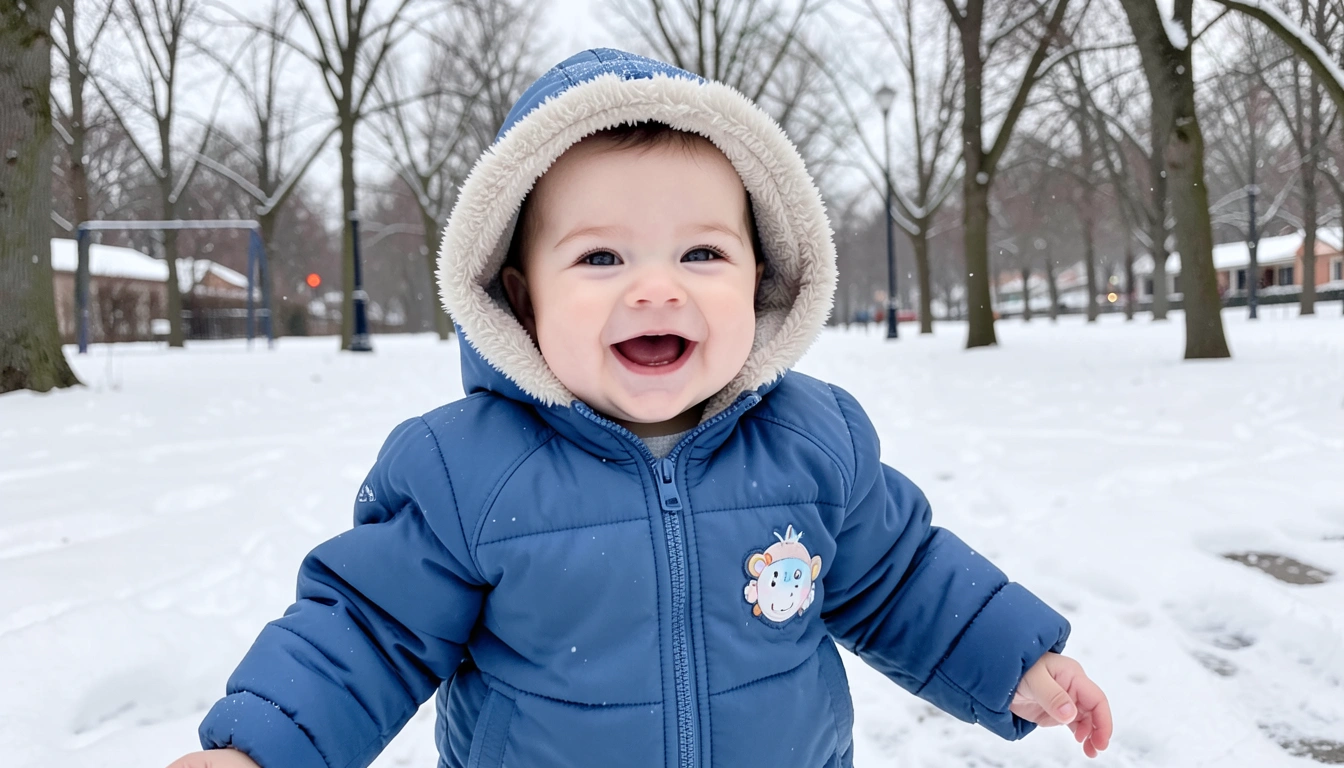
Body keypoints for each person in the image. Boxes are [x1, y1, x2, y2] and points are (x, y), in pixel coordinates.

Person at [167, 49, 1111, 768]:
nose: (658, 289)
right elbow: (371, 631)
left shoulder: (812, 445)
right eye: (601, 257)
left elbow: (902, 580)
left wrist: (1012, 663)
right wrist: (261, 748)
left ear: (761, 278)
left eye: (702, 254)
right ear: (520, 298)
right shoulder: (468, 473)